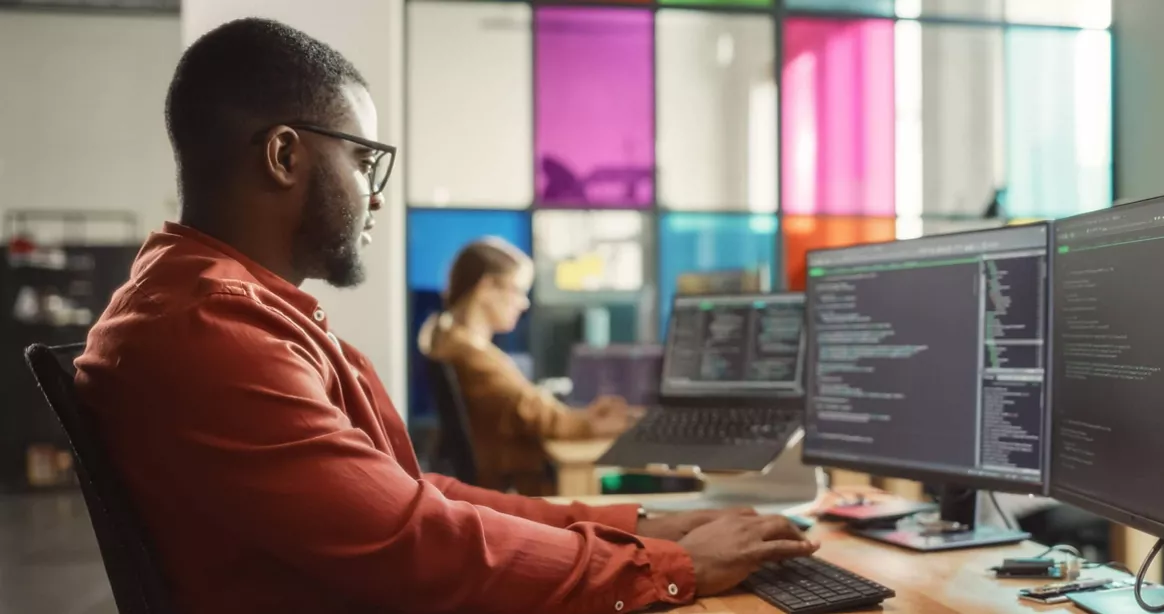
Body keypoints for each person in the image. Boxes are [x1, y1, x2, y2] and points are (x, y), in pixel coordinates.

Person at [74, 17, 815, 614]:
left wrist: (649, 527)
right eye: (365, 162)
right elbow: (417, 543)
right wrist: (677, 566)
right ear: (283, 155)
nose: (377, 196)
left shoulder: (227, 307)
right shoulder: (211, 331)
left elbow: (416, 496)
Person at [419, 238, 636, 495]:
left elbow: (525, 406)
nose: (524, 303)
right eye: (517, 290)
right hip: (516, 488)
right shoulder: (468, 353)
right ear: (487, 287)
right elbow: (535, 414)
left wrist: (585, 416)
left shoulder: (453, 339)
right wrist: (594, 424)